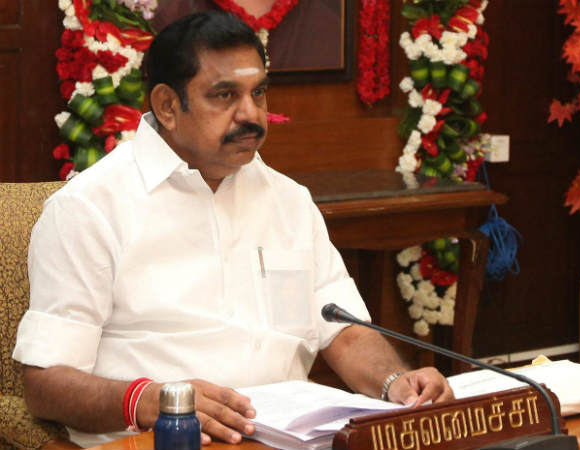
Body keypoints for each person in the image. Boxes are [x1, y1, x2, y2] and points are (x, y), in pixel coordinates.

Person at [12, 11, 453, 448]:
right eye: (225, 96)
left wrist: (395, 382)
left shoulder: (289, 200)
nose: (251, 115)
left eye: (258, 93)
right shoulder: (89, 208)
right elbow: (47, 384)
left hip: (286, 438)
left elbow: (343, 331)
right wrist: (150, 401)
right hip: (159, 440)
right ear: (167, 106)